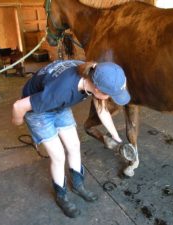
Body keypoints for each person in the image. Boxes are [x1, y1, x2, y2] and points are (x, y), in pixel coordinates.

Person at [12, 60, 131, 218]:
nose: (110, 98)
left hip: (58, 105)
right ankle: (61, 196)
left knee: (74, 146)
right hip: (38, 110)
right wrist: (18, 121)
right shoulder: (62, 90)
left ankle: (77, 185)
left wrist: (118, 139)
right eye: (110, 95)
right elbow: (18, 106)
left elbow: (102, 109)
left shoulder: (95, 73)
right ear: (97, 89)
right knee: (59, 156)